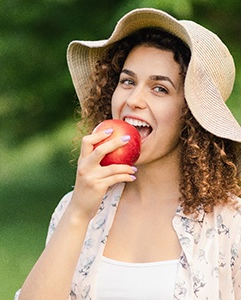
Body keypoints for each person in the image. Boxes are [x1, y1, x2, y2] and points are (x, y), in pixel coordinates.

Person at [15, 8, 241, 300]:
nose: (134, 100)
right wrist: (79, 213)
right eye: (127, 81)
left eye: (159, 88)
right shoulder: (76, 208)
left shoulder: (229, 224)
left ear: (192, 115)